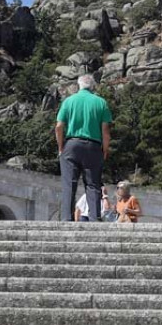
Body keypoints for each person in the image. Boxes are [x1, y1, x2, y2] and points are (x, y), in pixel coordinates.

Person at [55, 75, 112, 222]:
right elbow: (106, 131)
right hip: (93, 146)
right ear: (92, 86)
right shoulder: (101, 102)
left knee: (69, 184)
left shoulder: (69, 101)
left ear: (78, 85)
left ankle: (67, 219)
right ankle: (94, 219)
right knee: (93, 185)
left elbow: (59, 126)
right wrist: (105, 150)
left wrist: (61, 147)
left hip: (71, 144)